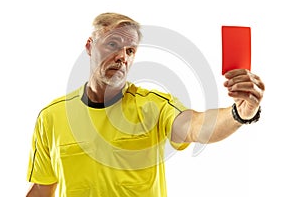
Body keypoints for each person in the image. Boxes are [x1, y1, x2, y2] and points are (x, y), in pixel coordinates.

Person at [26, 12, 265, 197]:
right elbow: (42, 189)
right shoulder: (52, 116)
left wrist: (241, 113)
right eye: (112, 45)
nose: (123, 56)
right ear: (89, 47)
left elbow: (196, 126)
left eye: (130, 50)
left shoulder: (153, 106)